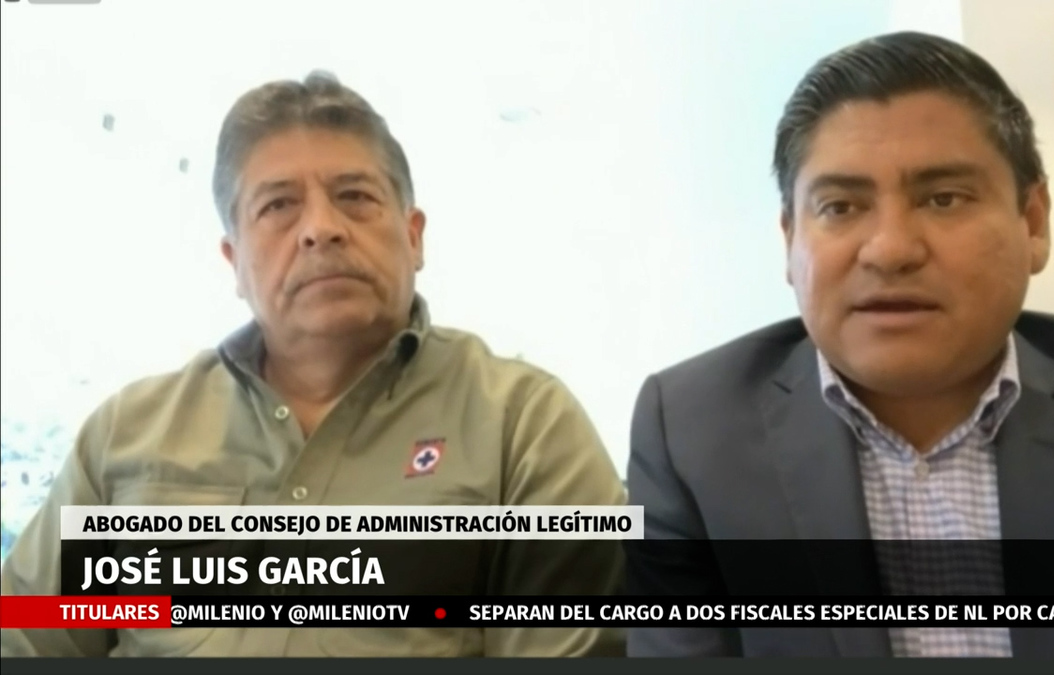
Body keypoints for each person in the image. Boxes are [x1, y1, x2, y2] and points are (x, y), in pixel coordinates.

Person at [1, 71, 626, 658]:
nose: (321, 228)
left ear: (413, 236)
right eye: (278, 206)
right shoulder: (126, 435)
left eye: (355, 197)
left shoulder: (524, 427)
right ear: (234, 261)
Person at [625, 31, 1054, 658]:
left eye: (943, 199)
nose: (891, 249)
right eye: (840, 207)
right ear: (789, 240)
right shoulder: (691, 434)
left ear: (1033, 222)